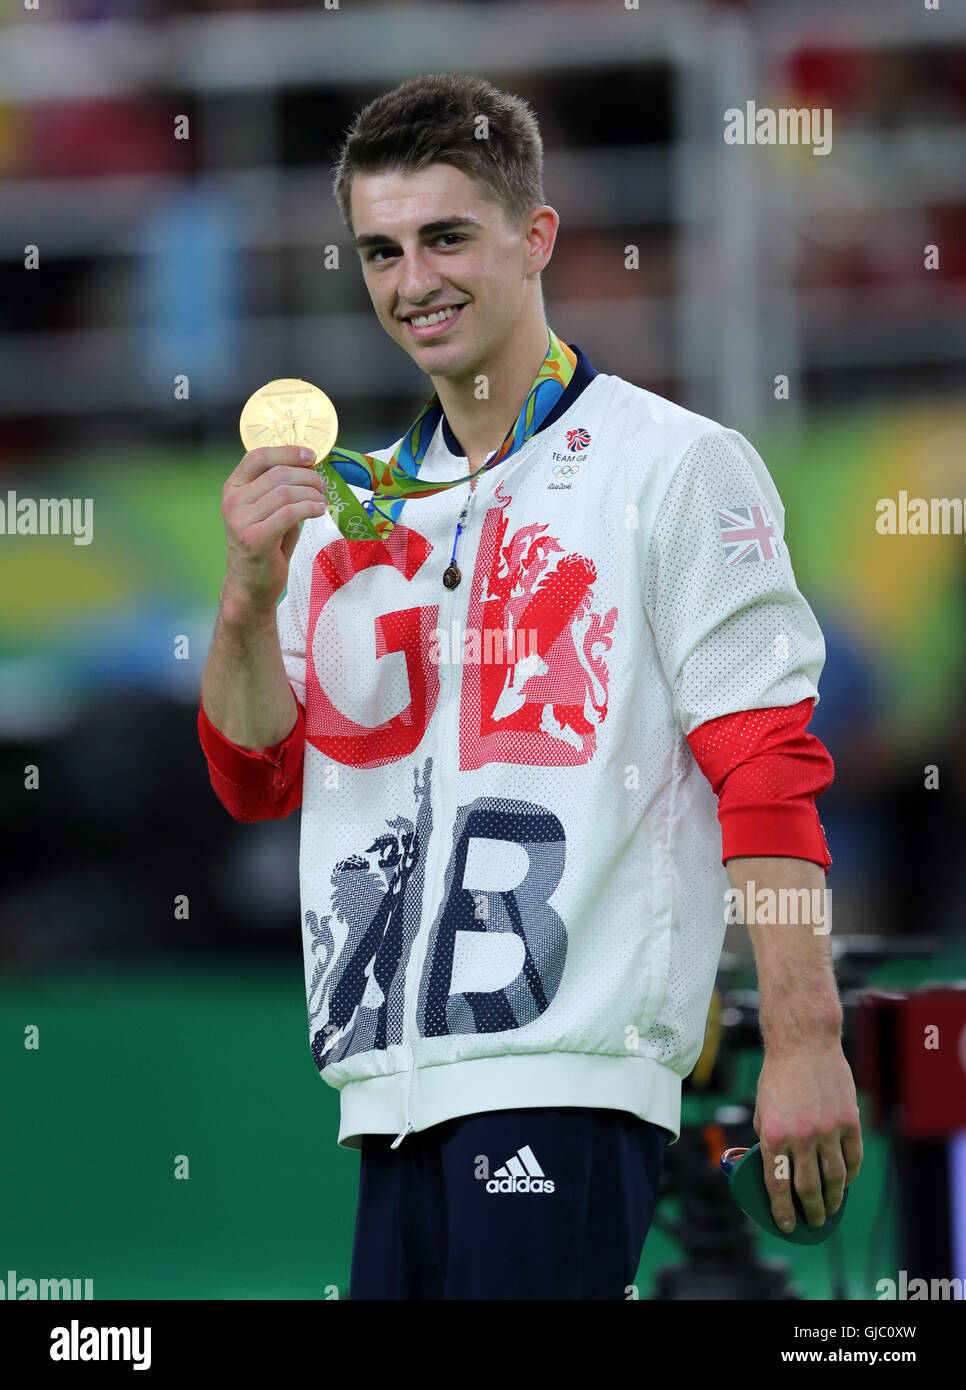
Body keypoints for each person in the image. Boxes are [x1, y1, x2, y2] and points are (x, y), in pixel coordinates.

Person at [198, 73, 862, 1300]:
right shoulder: (354, 510)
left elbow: (768, 770)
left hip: (570, 1077)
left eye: (448, 236)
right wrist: (246, 596)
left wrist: (806, 1039)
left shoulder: (675, 467)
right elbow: (255, 776)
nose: (413, 283)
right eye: (381, 250)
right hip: (383, 1093)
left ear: (536, 236)